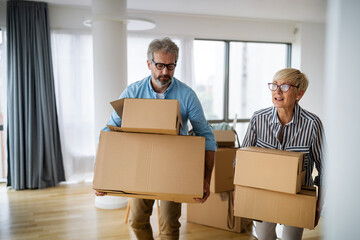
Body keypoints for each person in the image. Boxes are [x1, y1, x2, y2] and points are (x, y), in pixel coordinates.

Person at [94, 37, 217, 240]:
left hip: (174, 167)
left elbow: (206, 136)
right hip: (140, 165)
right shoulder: (133, 92)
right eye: (160, 65)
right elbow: (110, 131)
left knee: (169, 225)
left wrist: (205, 178)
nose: (165, 72)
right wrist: (100, 176)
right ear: (149, 63)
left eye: (170, 66)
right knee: (137, 220)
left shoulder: (187, 95)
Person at [241, 68, 325, 240]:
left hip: (298, 196)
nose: (277, 91)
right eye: (274, 85)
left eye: (285, 87)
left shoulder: (313, 124)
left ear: (299, 94)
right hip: (264, 193)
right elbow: (241, 161)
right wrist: (240, 194)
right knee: (264, 237)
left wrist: (318, 204)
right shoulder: (258, 118)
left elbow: (325, 167)